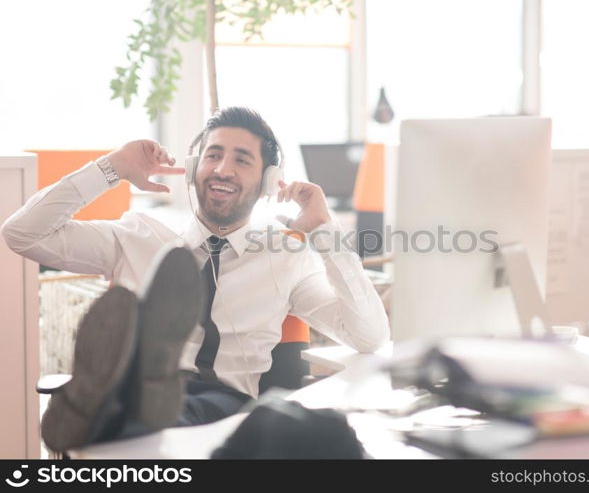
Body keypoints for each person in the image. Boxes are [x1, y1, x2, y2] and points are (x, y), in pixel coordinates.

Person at [1, 106, 390, 452]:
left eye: (241, 159)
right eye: (213, 155)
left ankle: (108, 407)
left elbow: (369, 336)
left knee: (299, 431)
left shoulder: (285, 255)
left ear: (269, 181)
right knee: (149, 417)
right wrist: (112, 168)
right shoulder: (138, 235)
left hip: (226, 403)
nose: (222, 169)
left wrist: (324, 229)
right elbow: (22, 234)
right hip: (146, 399)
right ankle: (128, 393)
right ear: (192, 168)